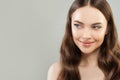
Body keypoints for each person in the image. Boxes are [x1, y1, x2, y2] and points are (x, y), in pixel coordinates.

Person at [47, 0, 120, 80]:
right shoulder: (56, 71)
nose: (86, 36)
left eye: (96, 27)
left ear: (107, 28)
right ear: (70, 26)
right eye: (78, 25)